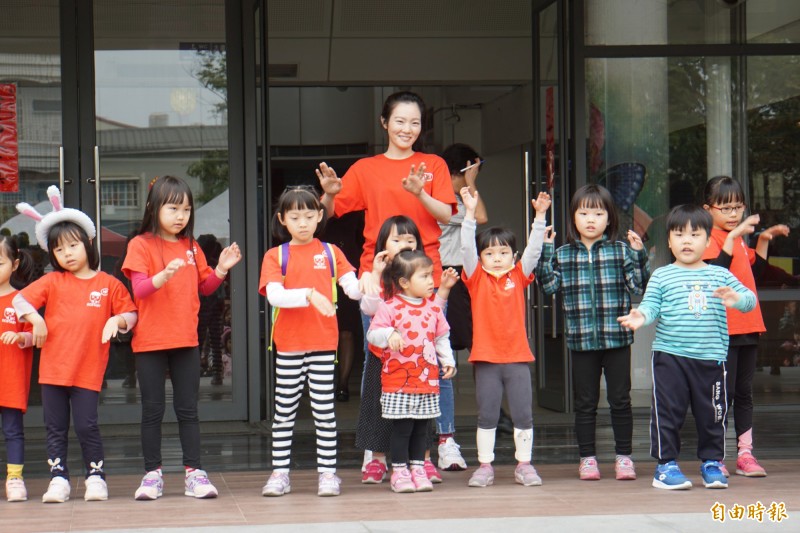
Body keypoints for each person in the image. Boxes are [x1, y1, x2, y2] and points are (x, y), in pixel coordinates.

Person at [316, 90, 462, 480]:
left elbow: (447, 216)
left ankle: (433, 446)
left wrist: (420, 193)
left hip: (425, 279)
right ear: (384, 122)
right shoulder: (366, 169)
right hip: (378, 276)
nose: (407, 129)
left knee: (431, 360)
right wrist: (329, 196)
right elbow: (328, 213)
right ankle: (376, 451)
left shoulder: (433, 165)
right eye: (399, 121)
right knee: (379, 363)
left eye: (415, 123)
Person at [618, 204, 756, 491]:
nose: (686, 240)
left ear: (708, 241)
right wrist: (640, 316)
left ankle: (711, 463)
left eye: (695, 234)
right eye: (679, 234)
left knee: (713, 413)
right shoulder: (662, 276)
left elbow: (749, 300)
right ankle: (666, 466)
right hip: (670, 357)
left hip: (711, 358)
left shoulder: (719, 274)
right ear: (669, 240)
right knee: (668, 412)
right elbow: (651, 306)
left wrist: (736, 299)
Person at [13, 186, 137, 503]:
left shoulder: (108, 284)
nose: (67, 253)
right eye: (59, 250)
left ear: (88, 243)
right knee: (54, 429)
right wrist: (37, 320)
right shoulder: (53, 281)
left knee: (86, 426)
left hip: (87, 371)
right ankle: (59, 479)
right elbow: (20, 299)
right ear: (52, 255)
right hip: (53, 371)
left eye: (72, 245)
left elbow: (131, 313)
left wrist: (116, 321)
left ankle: (96, 476)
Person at [122, 175, 242, 501]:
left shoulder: (192, 247)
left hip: (186, 341)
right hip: (149, 342)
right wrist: (163, 275)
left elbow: (204, 288)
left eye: (186, 209)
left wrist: (221, 269)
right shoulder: (140, 245)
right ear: (153, 208)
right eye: (173, 208)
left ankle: (194, 473)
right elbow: (140, 289)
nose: (181, 216)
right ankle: (152, 475)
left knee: (188, 410)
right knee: (152, 411)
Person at [535, 184, 650, 481]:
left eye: (598, 213)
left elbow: (638, 287)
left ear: (609, 218)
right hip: (581, 340)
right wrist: (546, 251)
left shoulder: (621, 250)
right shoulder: (563, 253)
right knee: (585, 404)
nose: (590, 219)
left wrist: (639, 255)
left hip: (617, 339)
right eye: (583, 212)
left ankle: (624, 457)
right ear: (573, 218)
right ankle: (588, 459)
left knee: (620, 400)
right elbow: (548, 286)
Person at [259, 186, 364, 498]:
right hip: (289, 345)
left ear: (320, 216)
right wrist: (307, 294)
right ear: (283, 219)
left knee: (324, 411)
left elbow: (355, 290)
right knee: (285, 411)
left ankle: (328, 475)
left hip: (322, 344)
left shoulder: (331, 253)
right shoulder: (276, 255)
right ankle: (280, 474)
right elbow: (274, 295)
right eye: (294, 216)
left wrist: (374, 277)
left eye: (308, 215)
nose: (302, 222)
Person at [701, 176, 790, 477]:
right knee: (720, 394)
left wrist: (764, 238)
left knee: (744, 393)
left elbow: (758, 270)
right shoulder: (708, 238)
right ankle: (716, 456)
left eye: (737, 207)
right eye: (725, 207)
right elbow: (716, 274)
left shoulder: (739, 239)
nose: (732, 213)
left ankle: (746, 454)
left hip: (748, 327)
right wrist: (734, 235)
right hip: (721, 331)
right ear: (708, 209)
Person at [461, 188, 550, 488]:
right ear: (481, 256)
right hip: (486, 359)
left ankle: (524, 465)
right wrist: (470, 214)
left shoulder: (519, 275)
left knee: (523, 414)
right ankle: (485, 466)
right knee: (487, 415)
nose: (496, 258)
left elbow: (535, 250)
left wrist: (540, 217)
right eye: (489, 253)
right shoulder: (475, 277)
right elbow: (465, 249)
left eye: (503, 253)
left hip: (517, 358)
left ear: (513, 256)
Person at [367, 249, 456, 493]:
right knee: (402, 428)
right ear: (404, 282)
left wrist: (448, 360)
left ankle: (418, 468)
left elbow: (441, 337)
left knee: (422, 429)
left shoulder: (433, 309)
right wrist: (389, 333)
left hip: (426, 381)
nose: (431, 281)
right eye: (425, 276)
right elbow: (372, 334)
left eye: (431, 275)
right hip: (398, 382)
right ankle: (399, 471)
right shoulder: (390, 307)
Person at [0, 236, 35, 502]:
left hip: (10, 379)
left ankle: (14, 479)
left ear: (15, 264)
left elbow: (36, 334)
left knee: (13, 431)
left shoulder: (21, 300)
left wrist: (21, 337)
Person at [196, 234, 225, 386]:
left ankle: (193, 375)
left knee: (199, 342)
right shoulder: (215, 264)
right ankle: (217, 374)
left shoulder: (199, 265)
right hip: (215, 307)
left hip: (202, 308)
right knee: (215, 342)